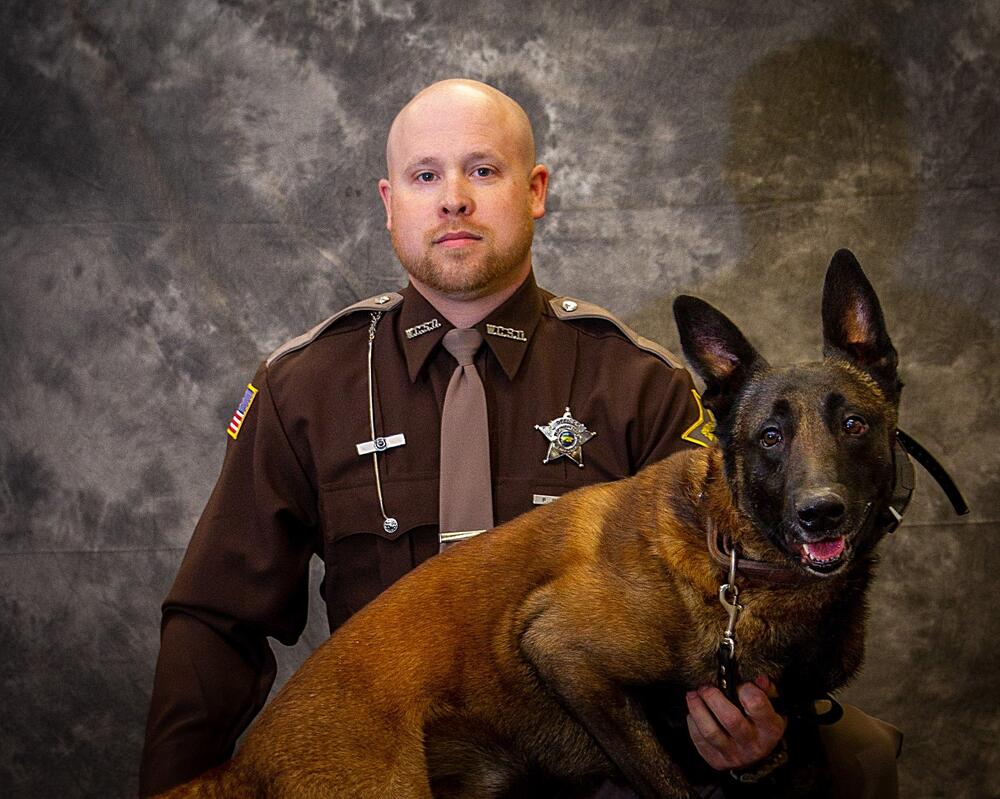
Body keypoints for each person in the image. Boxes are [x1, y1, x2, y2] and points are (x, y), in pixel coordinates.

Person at [140, 79, 897, 797]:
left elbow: (749, 582)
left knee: (852, 757)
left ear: (534, 191)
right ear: (388, 201)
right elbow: (217, 618)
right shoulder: (305, 385)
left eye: (482, 169)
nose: (454, 200)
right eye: (424, 176)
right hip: (405, 748)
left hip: (596, 757)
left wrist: (760, 740)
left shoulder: (636, 380)